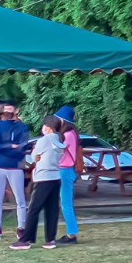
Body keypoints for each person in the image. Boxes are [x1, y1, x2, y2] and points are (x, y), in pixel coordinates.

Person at [10, 115, 64, 249]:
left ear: (48, 128)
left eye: (44, 126)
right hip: (56, 177)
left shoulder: (44, 140)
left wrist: (37, 155)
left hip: (43, 177)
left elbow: (35, 156)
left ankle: (25, 239)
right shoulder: (59, 141)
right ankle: (50, 239)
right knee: (52, 209)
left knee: (34, 208)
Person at [0, 101, 30, 238]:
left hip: (15, 166)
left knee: (20, 199)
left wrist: (10, 148)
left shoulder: (22, 127)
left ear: (16, 110)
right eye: (5, 111)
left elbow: (22, 148)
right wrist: (11, 147)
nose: (7, 114)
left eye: (10, 110)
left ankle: (21, 227)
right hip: (0, 166)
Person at [55, 105, 80, 245]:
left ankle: (71, 235)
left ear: (63, 121)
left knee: (66, 204)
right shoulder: (71, 134)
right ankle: (71, 233)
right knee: (65, 203)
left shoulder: (67, 135)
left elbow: (58, 149)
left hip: (65, 170)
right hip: (65, 170)